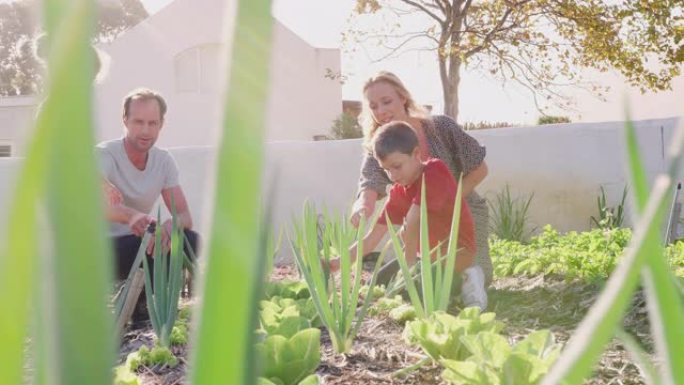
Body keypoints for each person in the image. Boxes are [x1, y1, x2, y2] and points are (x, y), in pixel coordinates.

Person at [351, 71, 491, 308]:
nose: (381, 111)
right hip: (422, 221)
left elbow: (480, 169)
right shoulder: (380, 142)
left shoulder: (440, 127)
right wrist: (363, 204)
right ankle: (427, 278)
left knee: (477, 272)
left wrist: (447, 202)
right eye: (373, 106)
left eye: (387, 101)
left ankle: (454, 279)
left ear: (403, 97)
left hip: (463, 207)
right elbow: (370, 182)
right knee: (400, 282)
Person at [331, 121, 483, 308]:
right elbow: (371, 240)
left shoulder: (435, 171)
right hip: (425, 259)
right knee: (377, 285)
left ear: (416, 154)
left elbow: (413, 219)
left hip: (457, 254)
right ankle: (435, 282)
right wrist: (336, 263)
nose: (392, 176)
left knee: (416, 292)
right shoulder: (398, 192)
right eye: (386, 170)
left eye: (397, 166)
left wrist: (408, 268)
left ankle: (467, 278)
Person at [96, 88, 199, 319]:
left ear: (161, 124)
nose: (145, 130)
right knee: (141, 248)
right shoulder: (105, 154)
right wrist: (130, 215)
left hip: (141, 242)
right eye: (138, 122)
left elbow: (185, 216)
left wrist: (171, 226)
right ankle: (133, 304)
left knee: (190, 241)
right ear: (125, 120)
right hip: (100, 248)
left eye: (153, 123)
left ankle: (141, 304)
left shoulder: (163, 162)